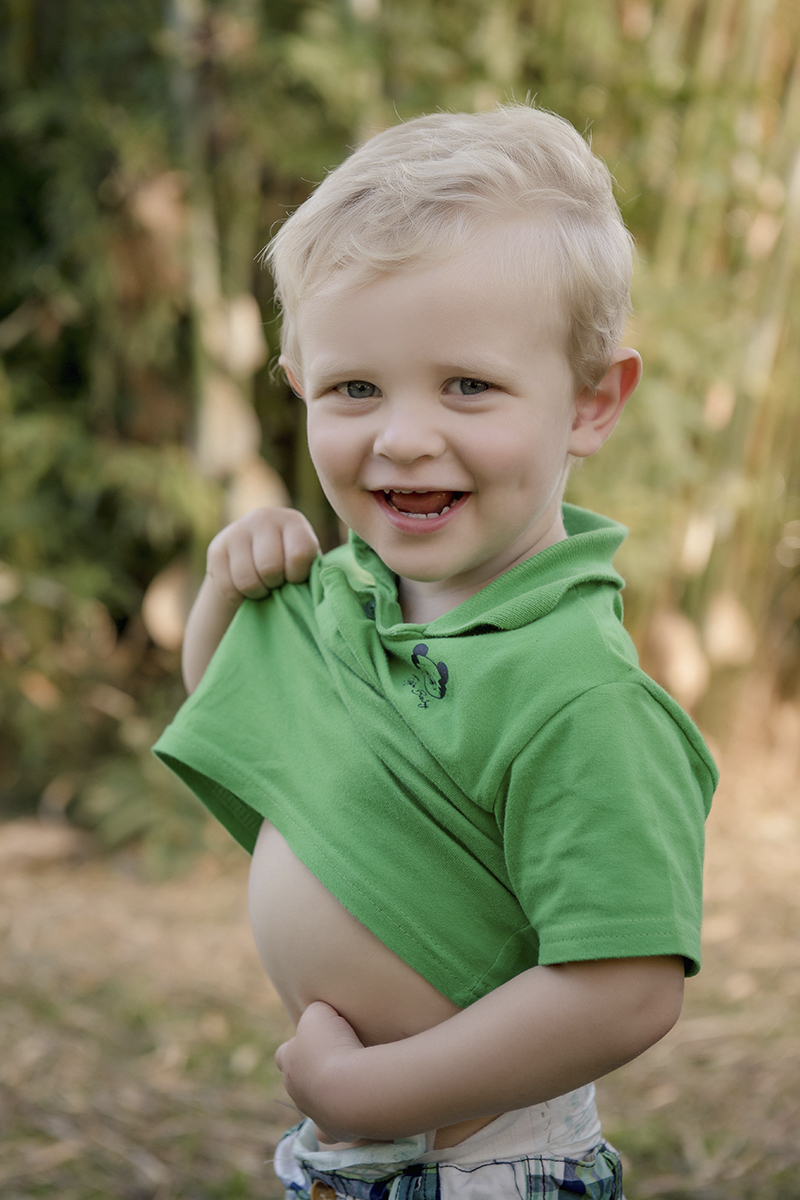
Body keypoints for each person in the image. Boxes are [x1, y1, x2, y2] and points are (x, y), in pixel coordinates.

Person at [154, 105, 717, 1199]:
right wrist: (228, 588)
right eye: (353, 389)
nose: (403, 434)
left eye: (466, 385)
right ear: (298, 387)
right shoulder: (353, 597)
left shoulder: (575, 690)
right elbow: (232, 709)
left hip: (483, 1165)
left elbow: (626, 989)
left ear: (590, 403)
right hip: (354, 1155)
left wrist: (376, 1091)